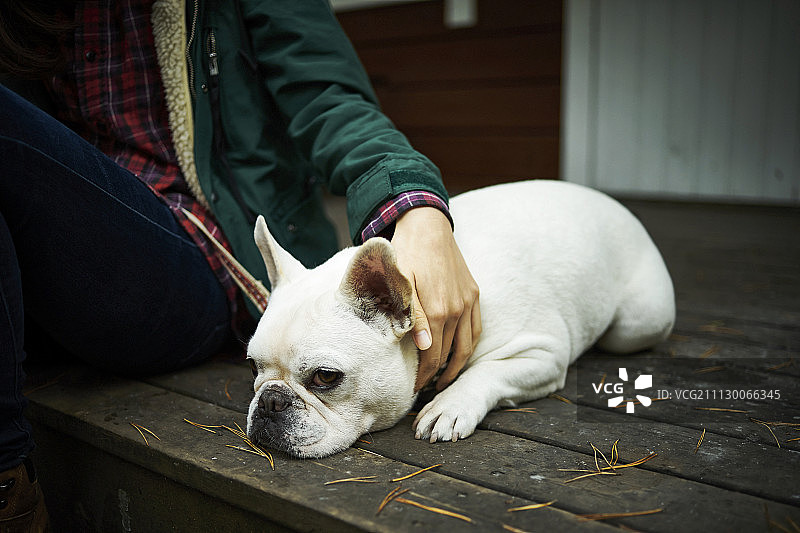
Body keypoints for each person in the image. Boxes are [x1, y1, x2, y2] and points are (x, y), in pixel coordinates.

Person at [0, 0, 481, 529]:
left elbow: (328, 95)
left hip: (203, 258)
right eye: (256, 371)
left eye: (322, 377)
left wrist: (415, 206)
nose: (269, 403)